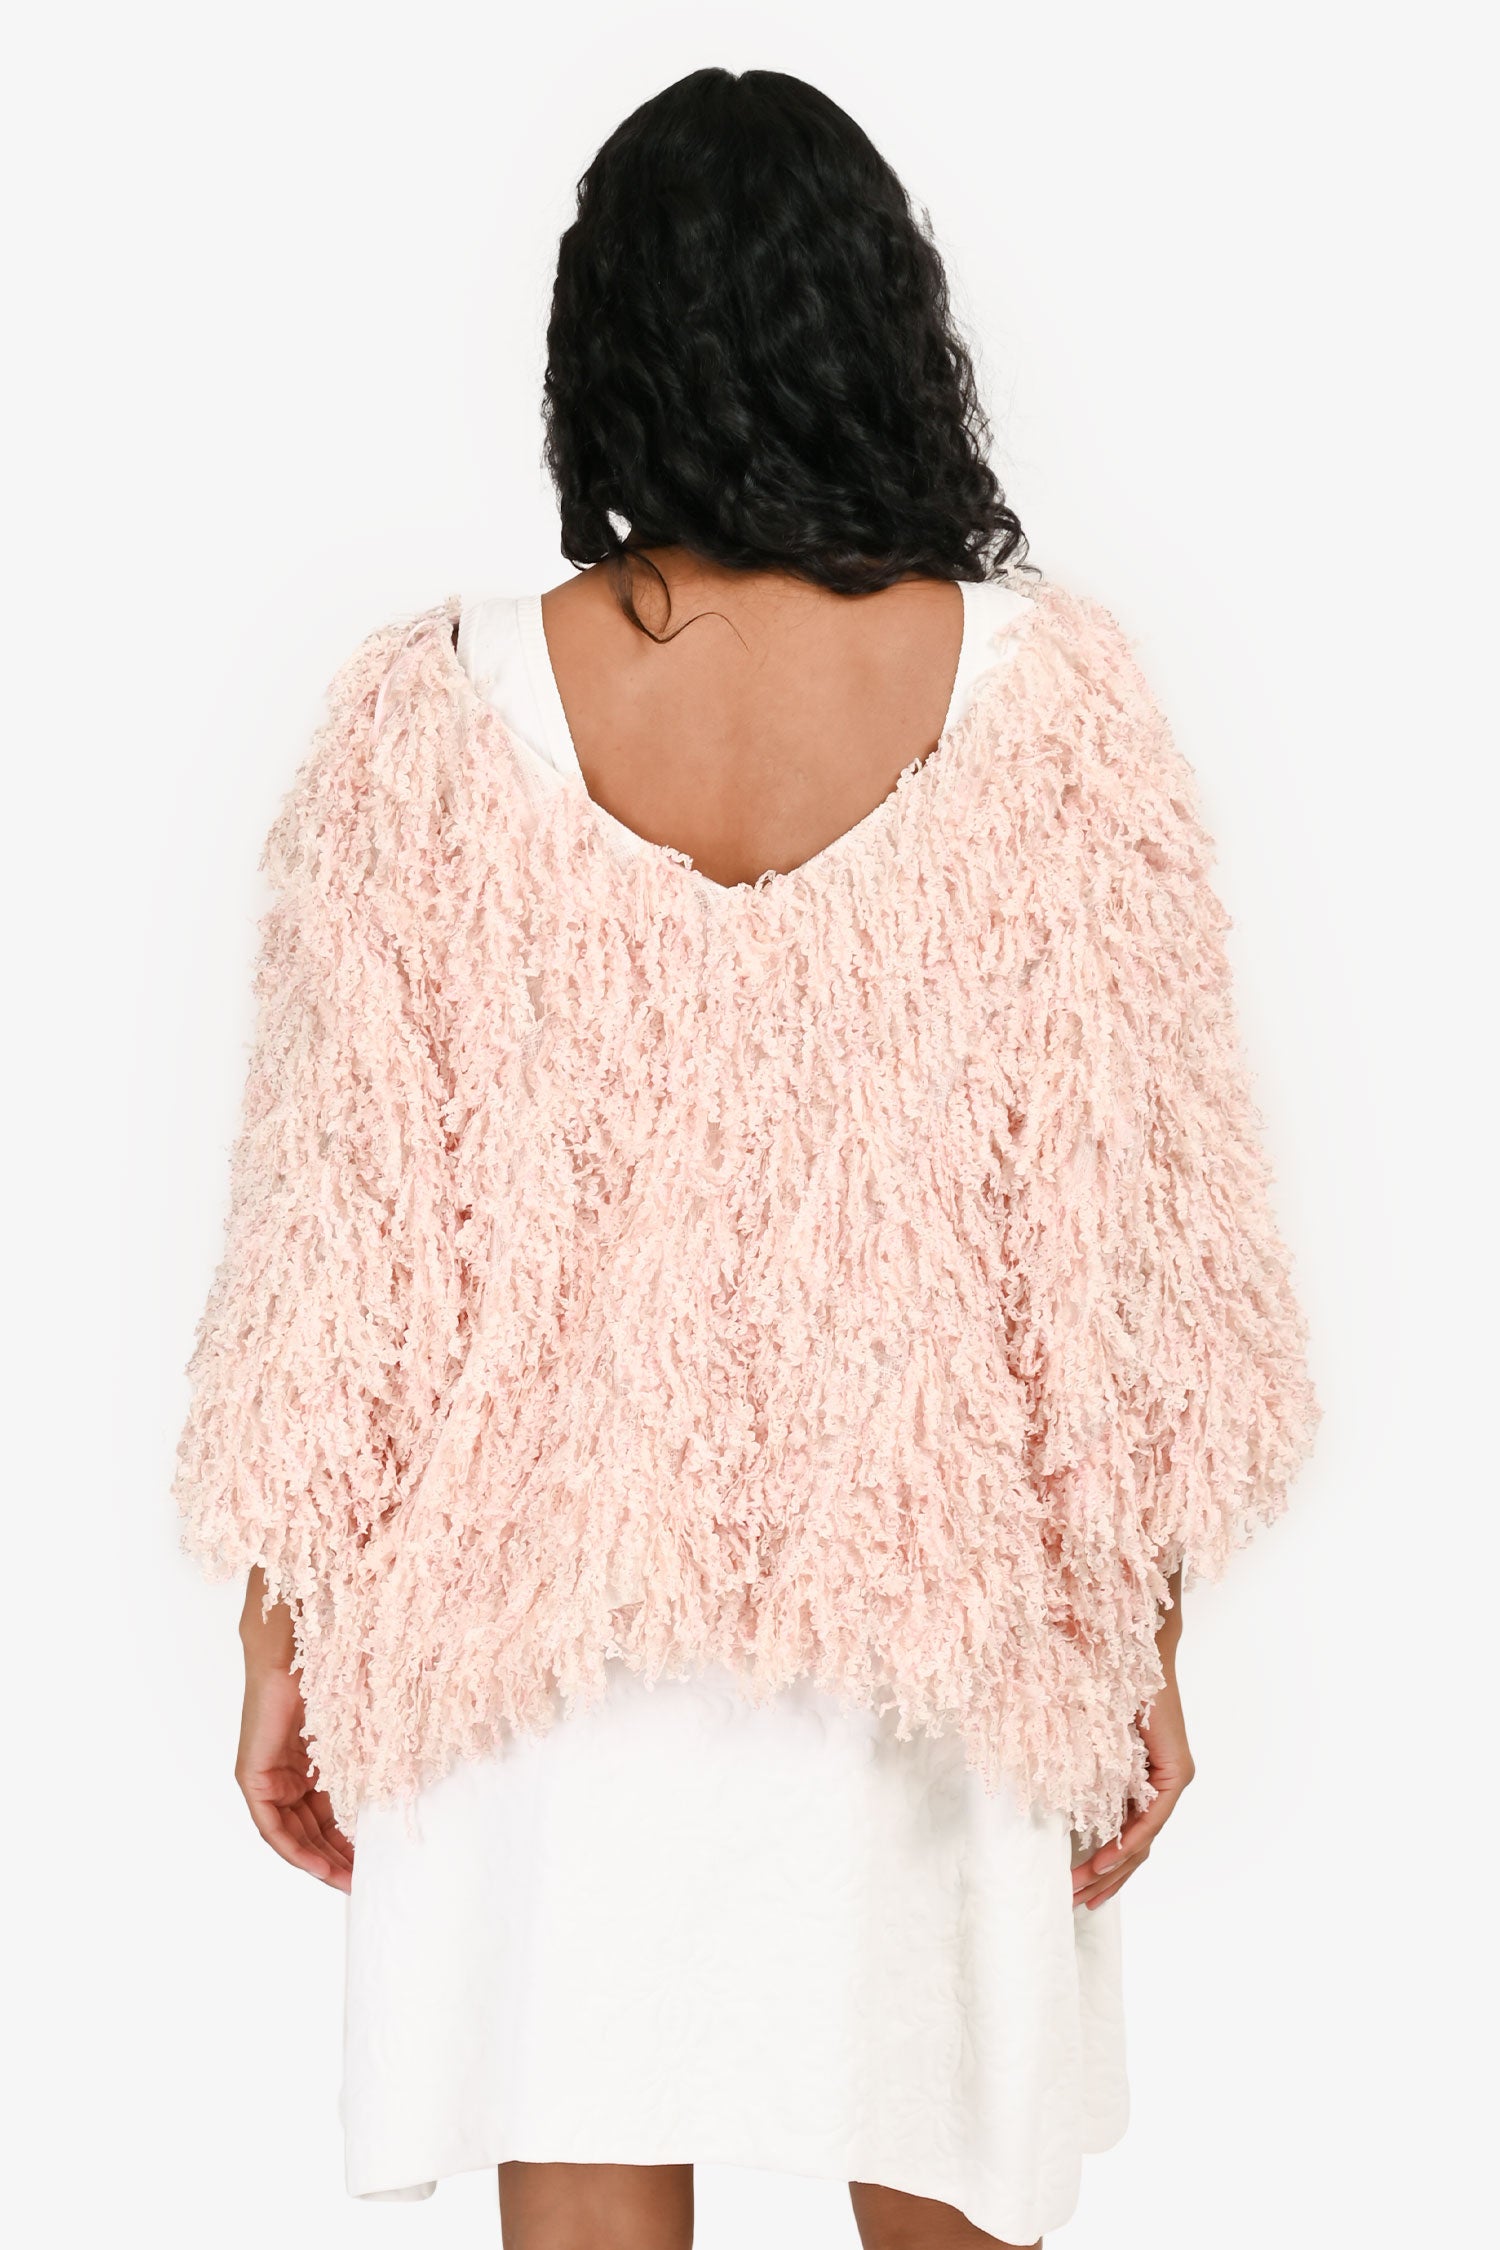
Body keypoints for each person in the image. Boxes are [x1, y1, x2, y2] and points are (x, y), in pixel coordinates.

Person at [175, 66, 1320, 2250]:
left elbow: (338, 1255)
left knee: (580, 2144)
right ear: (884, 327)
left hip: (536, 1639)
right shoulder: (1055, 708)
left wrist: (279, 1628)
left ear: (601, 347)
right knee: (952, 2169)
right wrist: (1145, 1634)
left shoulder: (429, 717)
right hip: (932, 1626)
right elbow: (1131, 1249)